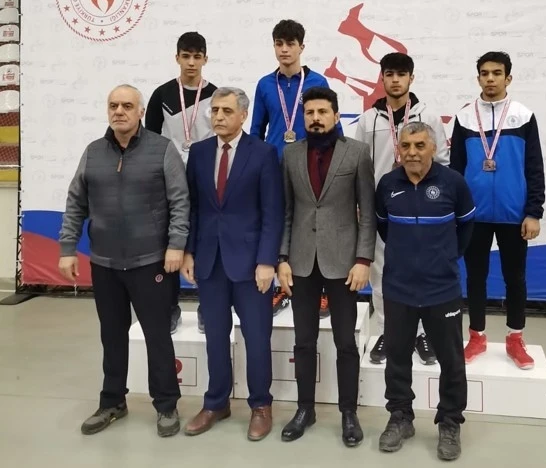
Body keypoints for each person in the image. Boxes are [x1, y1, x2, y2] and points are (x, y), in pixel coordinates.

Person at [58, 84, 189, 438]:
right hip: (105, 264)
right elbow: (75, 203)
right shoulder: (92, 152)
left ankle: (166, 405)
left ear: (140, 112)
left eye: (127, 105)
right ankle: (113, 401)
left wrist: (176, 245)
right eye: (113, 105)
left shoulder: (162, 149)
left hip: (151, 263)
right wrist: (67, 248)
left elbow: (180, 201)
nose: (119, 111)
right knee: (112, 336)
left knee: (157, 336)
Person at [180, 87, 284, 441]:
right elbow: (194, 207)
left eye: (226, 111)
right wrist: (189, 251)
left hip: (252, 264)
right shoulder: (199, 152)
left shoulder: (264, 153)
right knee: (215, 337)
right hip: (210, 261)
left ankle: (260, 405)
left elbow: (273, 212)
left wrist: (267, 260)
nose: (219, 116)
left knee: (256, 337)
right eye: (214, 110)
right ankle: (216, 403)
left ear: (243, 115)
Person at [277, 87, 376, 447]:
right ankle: (305, 409)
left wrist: (363, 260)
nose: (316, 118)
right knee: (303, 341)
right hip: (301, 261)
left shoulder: (357, 152)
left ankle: (348, 412)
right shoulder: (290, 154)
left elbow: (367, 212)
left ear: (336, 115)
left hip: (344, 263)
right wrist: (282, 258)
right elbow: (287, 211)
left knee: (345, 342)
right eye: (310, 113)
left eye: (322, 112)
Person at [375, 121, 475, 461]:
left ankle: (450, 422)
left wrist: (444, 258)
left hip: (441, 289)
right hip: (398, 288)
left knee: (451, 360)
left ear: (433, 148)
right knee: (397, 357)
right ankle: (400, 417)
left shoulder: (453, 183)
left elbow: (466, 229)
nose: (412, 152)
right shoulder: (387, 185)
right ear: (398, 149)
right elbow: (384, 228)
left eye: (420, 145)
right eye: (406, 146)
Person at [450, 51, 545, 370]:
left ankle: (515, 339)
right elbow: (455, 169)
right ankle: (476, 336)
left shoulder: (523, 116)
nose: (490, 78)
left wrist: (533, 212)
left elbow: (534, 167)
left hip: (514, 215)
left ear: (508, 78)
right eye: (485, 73)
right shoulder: (465, 118)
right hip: (473, 215)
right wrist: (456, 212)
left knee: (515, 278)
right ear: (478, 77)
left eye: (497, 73)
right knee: (475, 277)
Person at [355, 52, 449, 366]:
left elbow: (443, 162)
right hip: (382, 210)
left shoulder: (428, 117)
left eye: (401, 74)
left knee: (419, 272)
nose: (395, 80)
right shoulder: (368, 120)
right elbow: (360, 167)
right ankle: (388, 331)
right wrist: (361, 204)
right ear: (382, 78)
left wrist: (435, 203)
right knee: (381, 275)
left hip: (420, 209)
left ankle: (421, 334)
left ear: (411, 78)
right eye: (390, 74)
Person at [250, 19, 335, 319]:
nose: (284, 49)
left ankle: (321, 290)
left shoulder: (317, 82)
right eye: (279, 44)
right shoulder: (264, 84)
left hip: (311, 165)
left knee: (312, 224)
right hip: (274, 167)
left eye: (290, 44)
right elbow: (257, 130)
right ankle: (279, 286)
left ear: (302, 47)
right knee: (275, 223)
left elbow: (328, 126)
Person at [146, 31, 217, 334]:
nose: (191, 62)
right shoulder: (161, 95)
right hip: (169, 181)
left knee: (205, 243)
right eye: (185, 56)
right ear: (177, 57)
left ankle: (207, 307)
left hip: (206, 179)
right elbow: (149, 141)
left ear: (205, 59)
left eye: (197, 57)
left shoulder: (216, 95)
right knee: (169, 244)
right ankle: (170, 307)